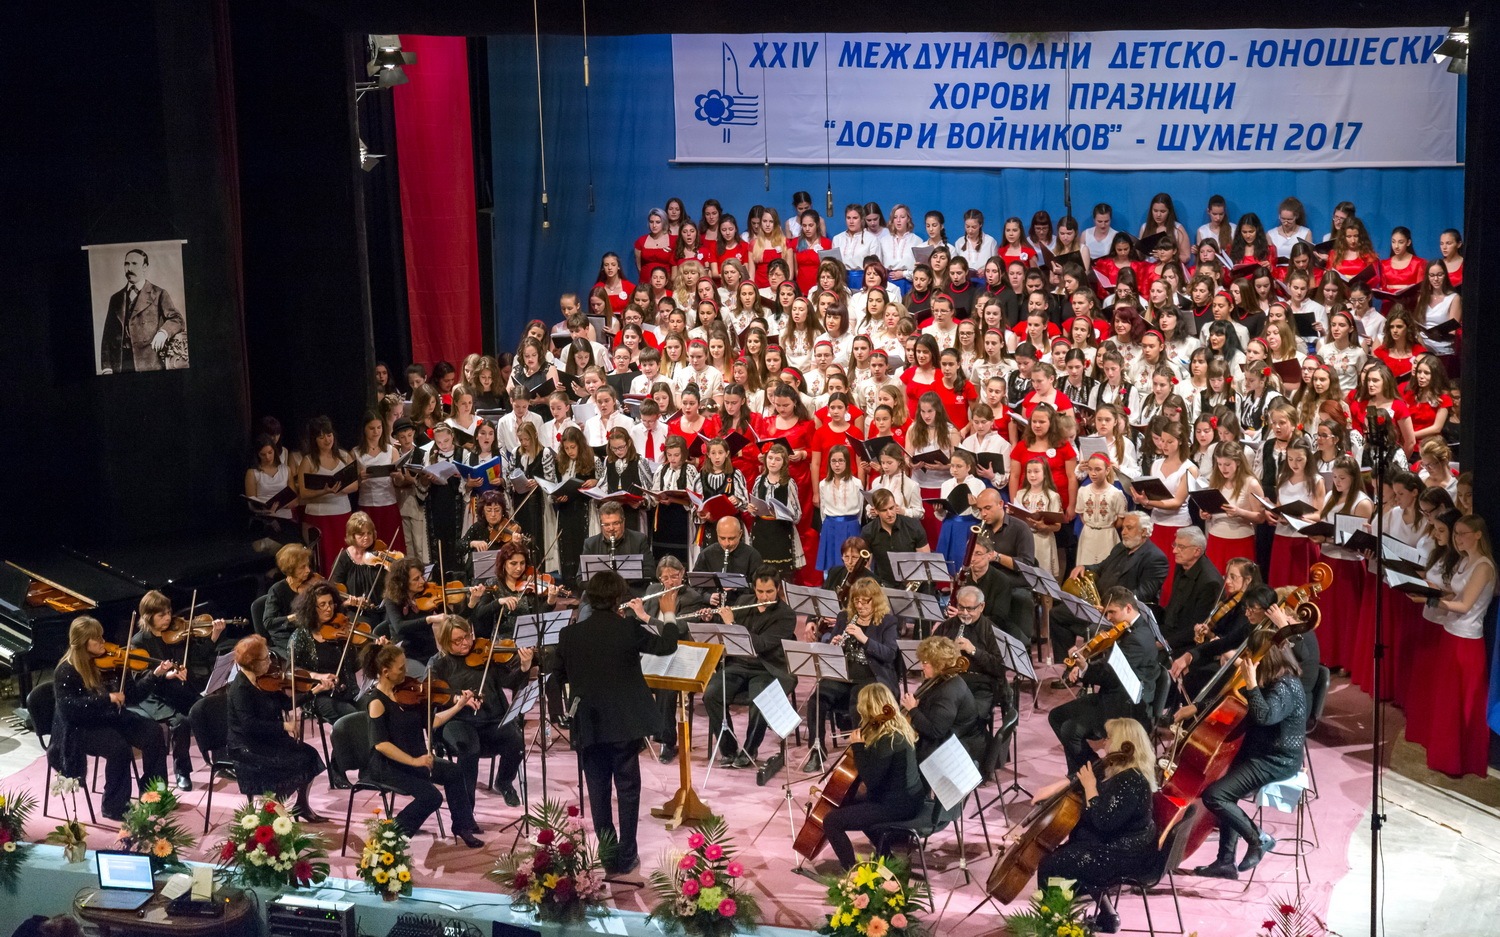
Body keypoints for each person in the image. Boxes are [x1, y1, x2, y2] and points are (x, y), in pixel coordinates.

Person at [555, 569, 684, 875]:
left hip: (588, 723)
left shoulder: (569, 635)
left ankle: (608, 853)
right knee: (627, 790)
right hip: (625, 725)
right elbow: (667, 646)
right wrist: (667, 614)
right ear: (617, 599)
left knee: (597, 790)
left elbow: (556, 676)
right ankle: (627, 855)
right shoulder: (627, 628)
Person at [1184, 625, 1308, 879]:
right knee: (1223, 787)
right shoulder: (1272, 678)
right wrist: (1196, 708)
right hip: (1257, 751)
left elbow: (1264, 716)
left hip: (1276, 760)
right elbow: (1233, 698)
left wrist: (1252, 684)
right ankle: (1225, 863)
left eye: (1252, 653)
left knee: (1216, 796)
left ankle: (1258, 839)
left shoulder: (1285, 686)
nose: (1249, 658)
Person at [1031, 718, 1160, 935]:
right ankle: (1107, 917)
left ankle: (1054, 926)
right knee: (1075, 845)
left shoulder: (1131, 780)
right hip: (1121, 845)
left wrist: (1090, 787)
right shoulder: (1120, 771)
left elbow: (1104, 821)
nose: (1104, 743)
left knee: (1052, 864)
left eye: (1109, 738)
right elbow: (1083, 780)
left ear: (1121, 742)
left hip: (1127, 855)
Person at [51, 616, 172, 820]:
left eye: (101, 636)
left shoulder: (112, 663)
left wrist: (155, 675)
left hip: (110, 717)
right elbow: (70, 709)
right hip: (80, 727)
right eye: (96, 639)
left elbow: (132, 696)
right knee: (119, 748)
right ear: (82, 644)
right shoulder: (66, 670)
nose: (102, 642)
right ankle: (114, 806)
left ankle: (154, 794)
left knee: (153, 732)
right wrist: (106, 699)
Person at [362, 643, 483, 846]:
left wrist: (458, 706)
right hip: (389, 765)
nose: (406, 672)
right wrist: (414, 761)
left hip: (415, 757)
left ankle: (462, 826)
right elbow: (381, 744)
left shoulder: (408, 693)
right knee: (431, 797)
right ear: (385, 672)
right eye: (400, 668)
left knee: (454, 772)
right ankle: (391, 838)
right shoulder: (377, 702)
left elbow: (431, 722)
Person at [1048, 587, 1162, 774]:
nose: (1108, 617)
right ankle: (1083, 772)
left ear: (1127, 608)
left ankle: (1094, 773)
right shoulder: (1127, 629)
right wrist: (1084, 666)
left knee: (1071, 730)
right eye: (1106, 612)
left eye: (1112, 612)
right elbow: (1109, 666)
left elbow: (1111, 674)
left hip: (1127, 705)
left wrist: (1085, 667)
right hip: (1112, 694)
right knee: (1056, 716)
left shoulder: (1138, 638)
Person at [703, 569, 797, 784]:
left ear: (778, 589)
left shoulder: (786, 615)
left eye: (769, 591)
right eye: (760, 591)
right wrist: (712, 617)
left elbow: (762, 645)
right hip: (737, 665)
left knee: (761, 701)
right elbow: (723, 633)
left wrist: (732, 625)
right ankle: (728, 749)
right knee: (711, 694)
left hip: (766, 668)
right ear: (754, 588)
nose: (764, 597)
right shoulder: (745, 601)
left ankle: (749, 749)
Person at [818, 683, 926, 871]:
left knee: (832, 821)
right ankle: (886, 856)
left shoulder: (889, 739)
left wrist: (858, 747)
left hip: (898, 806)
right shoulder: (898, 728)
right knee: (853, 804)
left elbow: (872, 781)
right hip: (908, 798)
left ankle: (853, 872)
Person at [428, 617, 532, 809]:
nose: (466, 643)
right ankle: (467, 809)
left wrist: (524, 667)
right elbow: (433, 692)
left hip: (491, 719)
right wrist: (457, 699)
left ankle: (504, 782)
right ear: (444, 642)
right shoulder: (438, 664)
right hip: (458, 721)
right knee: (469, 748)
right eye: (457, 641)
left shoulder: (485, 653)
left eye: (467, 636)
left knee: (515, 741)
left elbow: (508, 681)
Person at [226, 635, 331, 821]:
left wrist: (315, 691)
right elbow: (249, 725)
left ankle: (301, 806)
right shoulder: (240, 689)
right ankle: (272, 811)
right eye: (266, 658)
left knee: (310, 755)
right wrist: (284, 725)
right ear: (253, 662)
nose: (270, 661)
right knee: (293, 763)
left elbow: (286, 704)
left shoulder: (265, 681)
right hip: (246, 745)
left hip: (268, 739)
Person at [129, 589, 226, 790]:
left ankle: (221, 760)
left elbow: (197, 656)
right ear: (148, 617)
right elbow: (139, 678)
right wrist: (166, 674)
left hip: (176, 689)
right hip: (154, 694)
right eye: (161, 615)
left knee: (207, 707)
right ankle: (182, 771)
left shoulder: (176, 633)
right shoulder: (139, 642)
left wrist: (214, 634)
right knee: (181, 723)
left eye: (168, 612)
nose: (167, 618)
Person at [808, 578, 901, 773]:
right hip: (844, 674)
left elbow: (890, 654)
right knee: (817, 698)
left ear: (875, 600)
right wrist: (833, 644)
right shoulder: (845, 617)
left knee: (857, 704)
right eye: (856, 601)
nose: (859, 605)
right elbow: (833, 651)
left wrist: (864, 638)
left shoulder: (887, 621)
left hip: (872, 677)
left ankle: (859, 754)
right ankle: (817, 751)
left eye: (865, 601)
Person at [1053, 513, 1168, 665]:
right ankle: (1067, 666)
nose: (1124, 532)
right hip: (1098, 604)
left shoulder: (1155, 557)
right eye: (1124, 527)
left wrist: (1112, 608)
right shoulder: (1121, 547)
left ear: (1144, 532)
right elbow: (1101, 567)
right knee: (1057, 614)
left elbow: (1144, 593)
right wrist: (1084, 567)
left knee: (1095, 630)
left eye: (1129, 528)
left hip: (1118, 614)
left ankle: (1088, 672)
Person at [641, 557, 709, 763]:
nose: (670, 582)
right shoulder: (653, 590)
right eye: (665, 578)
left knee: (666, 686)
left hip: (677, 653)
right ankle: (635, 734)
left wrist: (645, 618)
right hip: (651, 651)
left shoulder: (692, 598)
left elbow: (677, 629)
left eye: (674, 576)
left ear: (683, 574)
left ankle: (666, 741)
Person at [98, 247, 184, 373]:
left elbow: (177, 319)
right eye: (126, 264)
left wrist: (163, 332)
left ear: (145, 267)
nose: (129, 269)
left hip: (149, 363)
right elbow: (107, 336)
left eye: (134, 264)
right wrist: (106, 367)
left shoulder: (159, 294)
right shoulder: (115, 298)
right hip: (120, 365)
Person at [900, 635, 983, 763]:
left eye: (925, 662)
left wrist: (913, 710)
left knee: (901, 757)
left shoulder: (948, 692)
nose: (922, 666)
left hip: (951, 748)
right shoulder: (941, 678)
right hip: (945, 737)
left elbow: (936, 731)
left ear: (939, 664)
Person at [1158, 526, 1224, 654]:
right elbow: (1173, 606)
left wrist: (1165, 643)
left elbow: (1197, 627)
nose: (1174, 551)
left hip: (1187, 642)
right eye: (1175, 545)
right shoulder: (1182, 564)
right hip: (1169, 629)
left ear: (1197, 551)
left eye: (1181, 547)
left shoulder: (1210, 582)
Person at [581, 501, 656, 583]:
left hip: (630, 592)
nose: (611, 528)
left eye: (615, 523)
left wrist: (621, 578)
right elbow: (580, 579)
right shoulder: (591, 543)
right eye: (606, 525)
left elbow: (650, 572)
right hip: (602, 593)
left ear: (623, 522)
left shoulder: (639, 539)